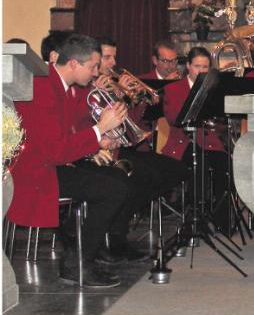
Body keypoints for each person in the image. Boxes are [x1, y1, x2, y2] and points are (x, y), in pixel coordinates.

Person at [8, 34, 129, 288]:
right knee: (112, 188)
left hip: (53, 164)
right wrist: (99, 129)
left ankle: (83, 255)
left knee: (117, 178)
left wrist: (100, 140)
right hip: (37, 173)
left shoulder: (59, 85)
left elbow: (65, 137)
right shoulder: (43, 87)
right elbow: (55, 151)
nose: (96, 72)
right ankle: (76, 263)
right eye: (93, 66)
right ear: (74, 63)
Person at [77, 37, 188, 258]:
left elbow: (132, 126)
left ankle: (119, 223)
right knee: (133, 178)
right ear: (94, 60)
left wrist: (125, 97)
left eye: (113, 57)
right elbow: (81, 121)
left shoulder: (111, 84)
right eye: (107, 57)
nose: (113, 62)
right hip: (97, 153)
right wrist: (101, 94)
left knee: (174, 170)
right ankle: (115, 236)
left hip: (122, 147)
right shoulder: (83, 85)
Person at [162, 47, 232, 232]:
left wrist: (218, 120)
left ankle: (221, 217)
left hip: (208, 139)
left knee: (226, 164)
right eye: (197, 66)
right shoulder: (173, 88)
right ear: (188, 66)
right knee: (199, 162)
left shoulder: (214, 89)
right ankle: (196, 217)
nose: (201, 71)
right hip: (182, 142)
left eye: (205, 67)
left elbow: (222, 122)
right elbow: (173, 119)